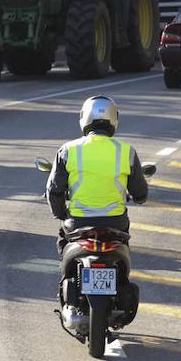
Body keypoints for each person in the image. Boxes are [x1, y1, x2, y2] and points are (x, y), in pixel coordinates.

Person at [45, 96, 148, 247]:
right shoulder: (126, 151)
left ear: (84, 117)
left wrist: (60, 214)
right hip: (116, 222)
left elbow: (54, 190)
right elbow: (139, 190)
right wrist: (140, 198)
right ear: (114, 118)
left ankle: (66, 268)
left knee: (63, 241)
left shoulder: (68, 150)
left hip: (78, 222)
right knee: (124, 242)